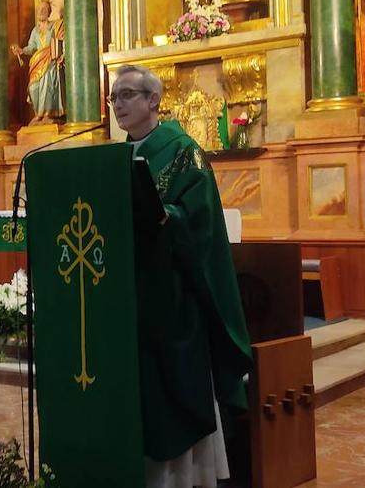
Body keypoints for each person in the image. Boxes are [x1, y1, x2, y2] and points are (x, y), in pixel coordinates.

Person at [109, 65, 252, 488]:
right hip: (131, 293)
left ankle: (180, 479)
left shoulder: (181, 149)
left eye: (128, 95)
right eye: (114, 97)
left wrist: (166, 217)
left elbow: (201, 220)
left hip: (173, 296)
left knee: (172, 389)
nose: (118, 104)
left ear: (154, 101)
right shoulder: (115, 156)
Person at [10, 0, 65, 125]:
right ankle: (38, 114)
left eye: (44, 9)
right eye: (39, 9)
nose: (41, 11)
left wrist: (62, 54)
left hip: (51, 61)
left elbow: (62, 41)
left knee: (47, 83)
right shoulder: (35, 31)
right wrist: (21, 50)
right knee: (33, 87)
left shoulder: (55, 26)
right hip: (38, 62)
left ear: (49, 12)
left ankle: (47, 114)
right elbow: (32, 47)